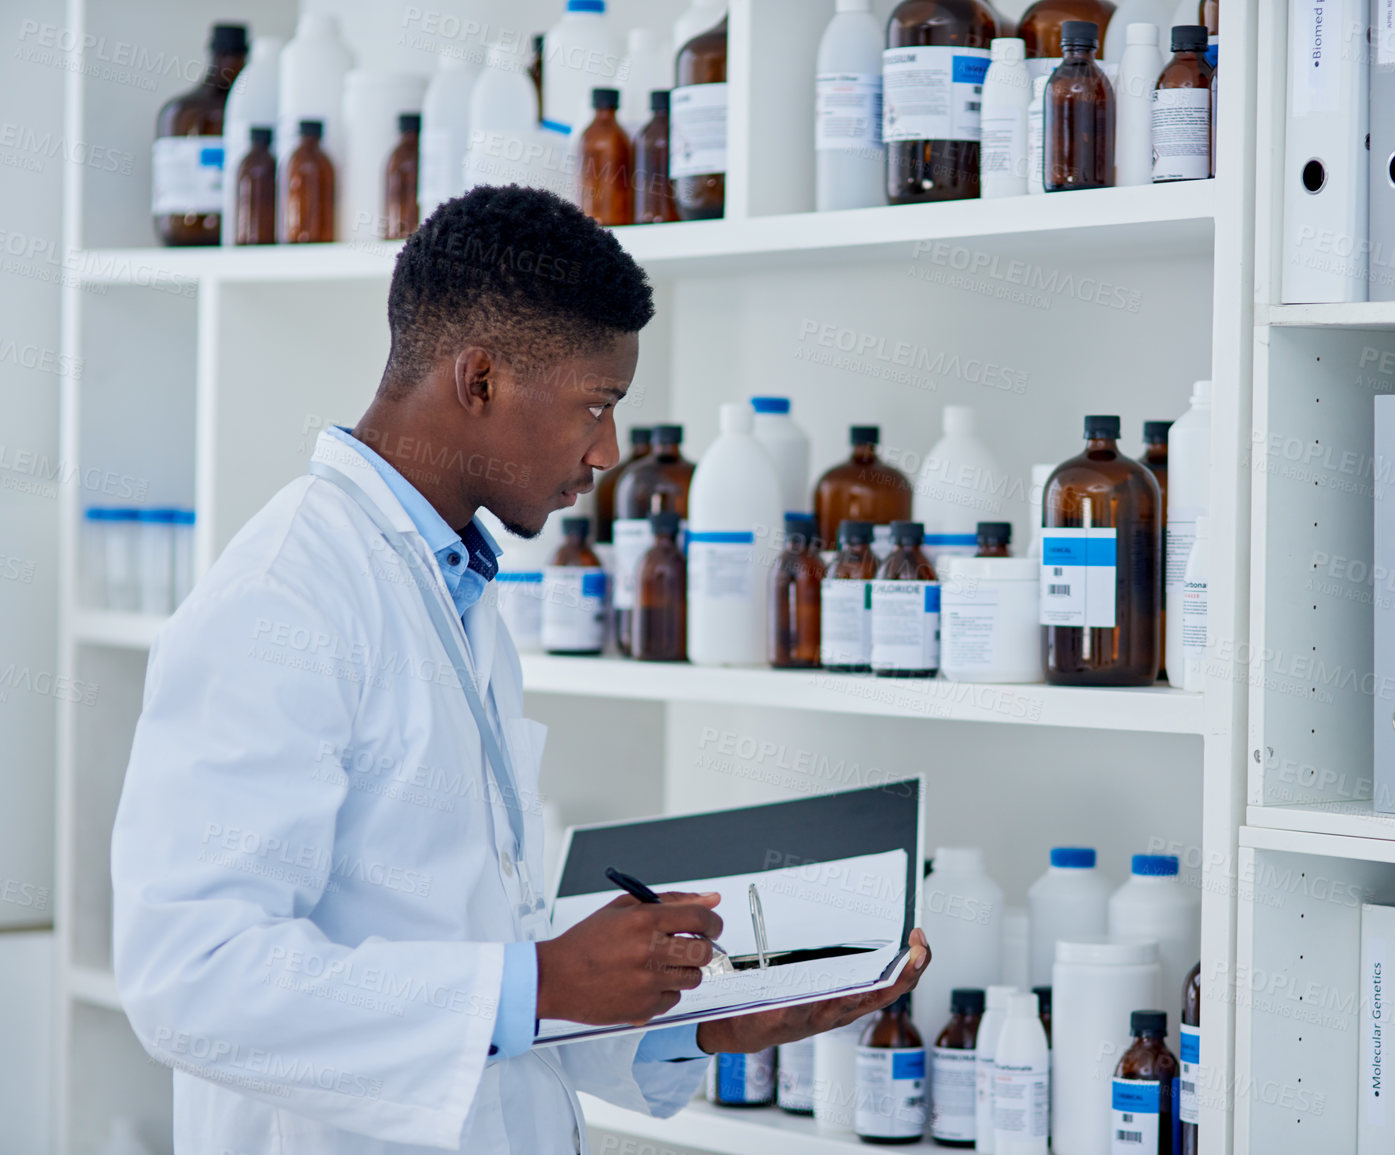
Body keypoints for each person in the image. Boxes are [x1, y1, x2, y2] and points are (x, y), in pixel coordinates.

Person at [110, 184, 930, 1153]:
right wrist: (539, 979)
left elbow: (480, 977)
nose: (606, 451)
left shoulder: (453, 582)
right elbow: (192, 981)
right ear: (481, 380)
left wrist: (707, 1025)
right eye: (596, 404)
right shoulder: (287, 594)